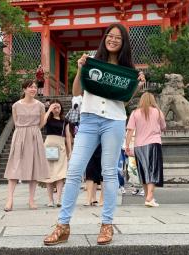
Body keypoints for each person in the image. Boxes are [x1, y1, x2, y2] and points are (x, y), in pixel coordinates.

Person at [44, 23, 146, 246]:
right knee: (74, 170)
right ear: (105, 38)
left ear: (123, 42)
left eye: (118, 38)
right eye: (110, 36)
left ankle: (107, 224)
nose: (113, 40)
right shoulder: (92, 61)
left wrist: (136, 85)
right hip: (89, 120)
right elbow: (76, 92)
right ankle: (63, 225)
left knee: (109, 173)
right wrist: (80, 68)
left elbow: (125, 101)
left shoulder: (126, 69)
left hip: (114, 121)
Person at [3, 80, 49, 211]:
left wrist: (33, 130)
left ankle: (31, 200)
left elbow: (41, 123)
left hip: (35, 134)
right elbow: (16, 122)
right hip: (20, 135)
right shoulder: (16, 105)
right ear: (24, 89)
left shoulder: (40, 105)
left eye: (34, 87)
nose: (33, 89)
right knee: (14, 166)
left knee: (34, 166)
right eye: (30, 87)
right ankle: (9, 199)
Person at [125, 92, 166, 207]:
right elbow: (163, 127)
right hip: (153, 143)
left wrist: (127, 145)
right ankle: (149, 196)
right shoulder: (158, 112)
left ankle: (149, 198)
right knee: (153, 170)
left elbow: (130, 130)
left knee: (143, 171)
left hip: (139, 145)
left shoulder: (135, 113)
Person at [41, 99, 72, 207]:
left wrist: (70, 151)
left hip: (61, 146)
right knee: (49, 175)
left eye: (58, 107)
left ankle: (58, 199)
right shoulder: (48, 118)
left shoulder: (65, 120)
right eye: (54, 107)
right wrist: (49, 110)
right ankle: (50, 200)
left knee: (60, 174)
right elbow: (41, 124)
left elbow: (68, 136)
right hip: (49, 145)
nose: (56, 109)